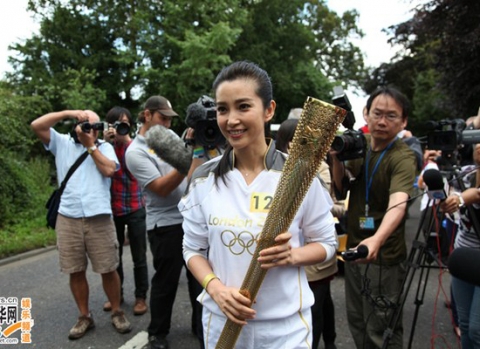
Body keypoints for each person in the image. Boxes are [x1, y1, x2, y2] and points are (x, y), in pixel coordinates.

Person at [179, 61, 338, 348]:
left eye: (243, 106)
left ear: (269, 110)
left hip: (284, 331)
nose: (231, 120)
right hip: (222, 324)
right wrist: (215, 289)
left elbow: (327, 244)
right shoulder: (203, 179)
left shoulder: (300, 175)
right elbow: (193, 248)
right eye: (222, 109)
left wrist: (293, 256)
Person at [30, 110, 132, 339]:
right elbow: (37, 125)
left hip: (99, 216)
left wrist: (91, 146)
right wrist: (67, 113)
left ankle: (117, 310)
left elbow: (108, 170)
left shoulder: (105, 147)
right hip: (68, 216)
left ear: (100, 129)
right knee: (74, 270)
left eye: (94, 126)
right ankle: (84, 316)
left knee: (108, 267)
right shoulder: (62, 143)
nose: (89, 130)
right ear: (75, 125)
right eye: (85, 125)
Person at [330, 86, 417, 348]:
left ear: (403, 122)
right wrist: (336, 159)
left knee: (382, 326)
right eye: (377, 113)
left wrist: (377, 240)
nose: (381, 121)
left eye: (391, 116)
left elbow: (398, 204)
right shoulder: (360, 145)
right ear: (366, 113)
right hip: (356, 250)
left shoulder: (402, 156)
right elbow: (340, 188)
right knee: (358, 321)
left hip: (384, 257)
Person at [125, 96, 201, 349]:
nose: (167, 123)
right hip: (165, 224)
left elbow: (189, 178)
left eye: (170, 119)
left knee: (198, 278)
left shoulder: (172, 140)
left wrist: (196, 152)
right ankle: (157, 333)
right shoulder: (136, 151)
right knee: (166, 281)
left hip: (190, 218)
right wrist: (185, 162)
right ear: (147, 115)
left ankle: (201, 325)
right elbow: (161, 189)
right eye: (162, 117)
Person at [276, 117, 338, 349]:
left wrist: (304, 164)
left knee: (318, 306)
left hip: (313, 255)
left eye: (300, 139)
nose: (295, 144)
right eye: (291, 140)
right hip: (286, 249)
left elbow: (321, 203)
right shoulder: (271, 165)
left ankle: (325, 342)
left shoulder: (318, 165)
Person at [102, 106, 148, 316]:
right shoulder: (103, 147)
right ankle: (116, 296)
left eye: (124, 124)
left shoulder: (135, 146)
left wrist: (126, 141)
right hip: (112, 208)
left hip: (135, 205)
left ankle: (141, 297)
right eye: (116, 124)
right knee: (115, 256)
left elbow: (137, 173)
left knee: (139, 256)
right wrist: (104, 142)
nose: (120, 128)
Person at [440, 143, 480, 349]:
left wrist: (463, 198)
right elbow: (449, 197)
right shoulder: (465, 171)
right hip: (463, 255)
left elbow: (473, 196)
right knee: (464, 325)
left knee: (477, 329)